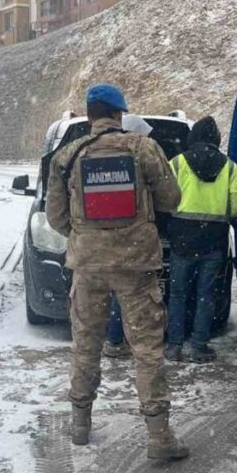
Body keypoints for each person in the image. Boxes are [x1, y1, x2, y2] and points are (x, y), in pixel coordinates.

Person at [46, 84, 188, 461]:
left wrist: (87, 237)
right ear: (119, 114)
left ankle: (80, 424)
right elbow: (171, 200)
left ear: (90, 115)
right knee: (146, 350)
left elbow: (55, 216)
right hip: (136, 264)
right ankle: (159, 437)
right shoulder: (143, 148)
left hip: (88, 266)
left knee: (86, 346)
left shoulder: (67, 156)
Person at [165, 117, 237, 363]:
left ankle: (174, 346)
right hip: (214, 239)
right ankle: (199, 346)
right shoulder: (230, 167)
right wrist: (220, 214)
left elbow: (164, 196)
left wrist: (175, 214)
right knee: (205, 294)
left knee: (178, 294)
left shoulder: (177, 162)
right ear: (216, 140)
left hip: (182, 238)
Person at [103, 113, 155, 360]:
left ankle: (115, 340)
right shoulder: (139, 163)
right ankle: (125, 341)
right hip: (132, 239)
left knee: (118, 291)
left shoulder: (103, 159)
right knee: (133, 293)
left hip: (109, 240)